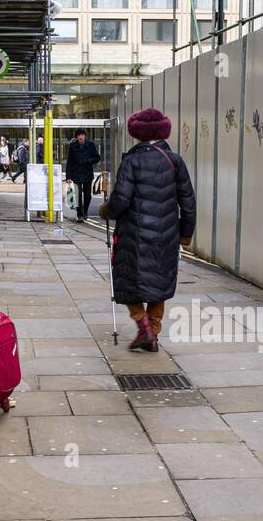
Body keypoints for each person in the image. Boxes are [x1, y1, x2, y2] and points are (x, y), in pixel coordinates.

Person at [100, 108, 194, 352]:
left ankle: (143, 327)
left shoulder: (132, 160)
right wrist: (185, 234)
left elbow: (121, 199)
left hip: (134, 234)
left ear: (137, 132)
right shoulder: (174, 161)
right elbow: (188, 202)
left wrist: (106, 211)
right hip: (167, 235)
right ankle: (153, 331)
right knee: (159, 284)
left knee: (129, 282)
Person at [64, 129, 102, 221]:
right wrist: (68, 176)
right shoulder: (73, 146)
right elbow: (69, 162)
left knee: (88, 195)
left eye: (82, 135)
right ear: (76, 137)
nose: (80, 137)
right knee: (78, 195)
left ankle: (85, 211)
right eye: (79, 135)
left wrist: (89, 161)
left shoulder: (91, 145)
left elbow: (97, 157)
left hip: (87, 173)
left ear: (85, 136)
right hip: (76, 173)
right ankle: (80, 215)